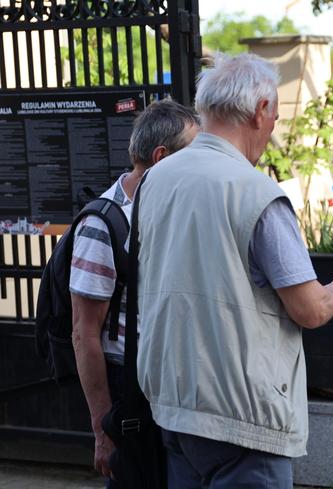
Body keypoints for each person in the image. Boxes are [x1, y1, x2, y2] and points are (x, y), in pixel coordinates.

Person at [135, 52, 333, 488]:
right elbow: (310, 309)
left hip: (173, 400)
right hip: (243, 414)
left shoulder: (157, 178)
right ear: (261, 112)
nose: (272, 129)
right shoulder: (256, 192)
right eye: (277, 118)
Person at [70, 99, 200, 487]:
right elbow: (84, 333)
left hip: (174, 391)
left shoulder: (175, 208)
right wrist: (103, 431)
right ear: (161, 158)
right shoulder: (103, 224)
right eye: (193, 155)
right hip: (131, 397)